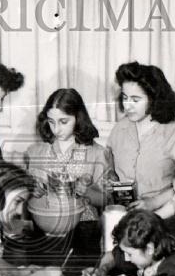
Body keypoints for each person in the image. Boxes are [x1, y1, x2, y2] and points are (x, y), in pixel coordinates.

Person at [106, 62, 175, 219]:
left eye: (135, 99)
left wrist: (154, 202)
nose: (127, 106)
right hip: (125, 217)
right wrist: (110, 181)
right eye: (125, 97)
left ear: (154, 99)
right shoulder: (119, 129)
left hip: (166, 216)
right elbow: (110, 170)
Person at [23, 88, 112, 221]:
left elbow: (108, 200)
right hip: (46, 223)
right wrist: (31, 190)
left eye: (63, 122)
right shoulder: (36, 151)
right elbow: (26, 196)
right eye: (51, 122)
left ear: (78, 118)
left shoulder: (97, 153)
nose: (56, 129)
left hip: (84, 227)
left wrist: (87, 192)